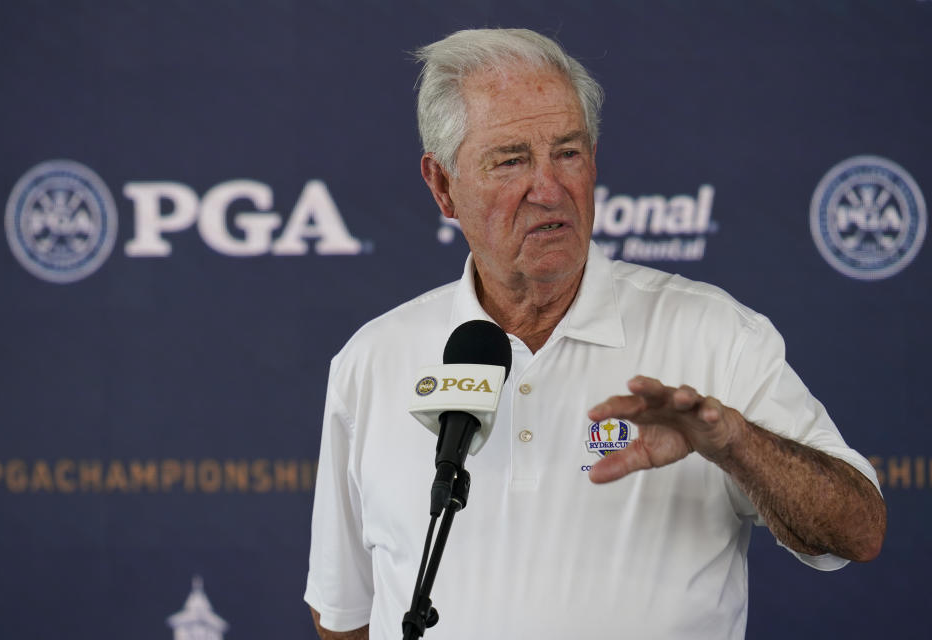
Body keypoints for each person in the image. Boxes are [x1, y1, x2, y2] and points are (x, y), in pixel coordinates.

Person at [304, 28, 886, 640]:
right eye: (511, 160)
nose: (549, 188)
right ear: (443, 185)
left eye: (568, 152)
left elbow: (858, 531)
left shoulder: (715, 335)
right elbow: (345, 614)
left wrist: (735, 442)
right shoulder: (373, 362)